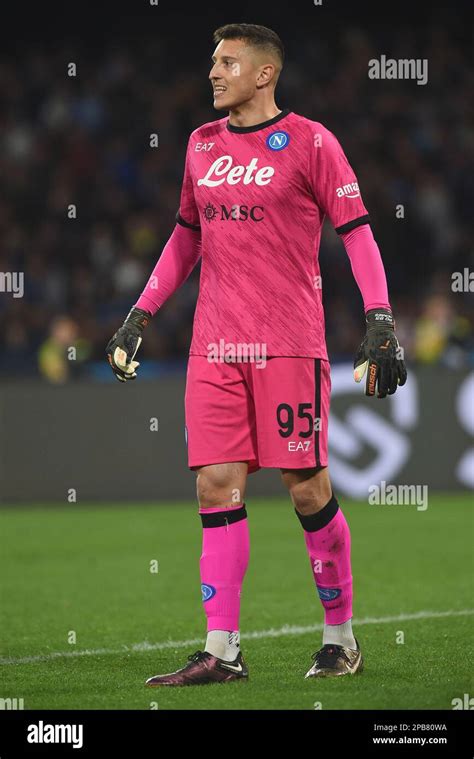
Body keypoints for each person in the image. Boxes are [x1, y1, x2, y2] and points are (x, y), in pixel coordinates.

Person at [106, 23, 407, 685]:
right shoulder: (200, 145)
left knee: (307, 490)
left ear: (264, 73)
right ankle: (222, 649)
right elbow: (188, 236)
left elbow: (357, 232)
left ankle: (340, 637)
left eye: (227, 63)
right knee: (215, 483)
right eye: (212, 62)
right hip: (214, 346)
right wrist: (140, 313)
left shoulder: (311, 141)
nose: (213, 73)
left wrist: (380, 318)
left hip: (289, 346)